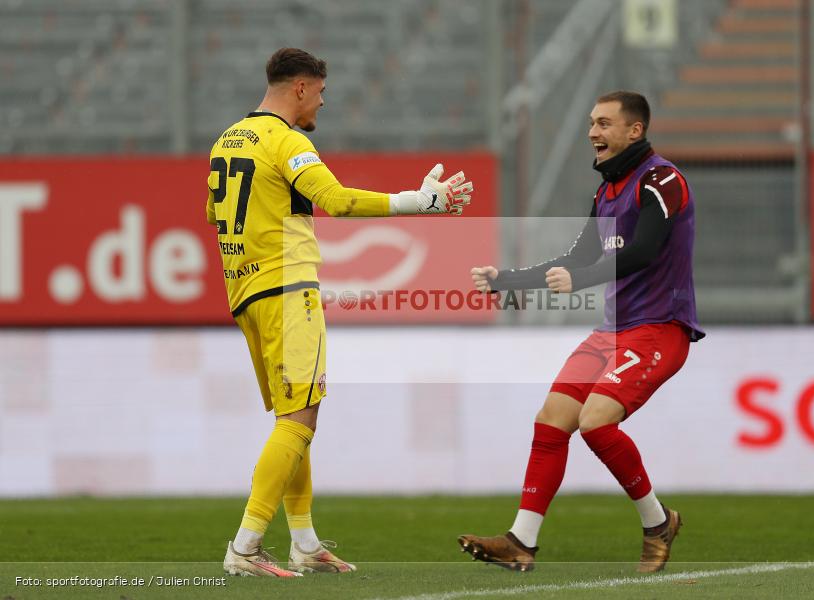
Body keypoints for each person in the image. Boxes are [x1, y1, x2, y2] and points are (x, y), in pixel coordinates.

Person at [207, 47, 474, 577]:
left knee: (293, 415)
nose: (321, 106)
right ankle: (245, 546)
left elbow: (213, 214)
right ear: (301, 88)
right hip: (287, 288)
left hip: (245, 292)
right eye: (320, 94)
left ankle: (303, 543)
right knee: (300, 418)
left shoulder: (226, 141)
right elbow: (337, 200)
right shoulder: (287, 140)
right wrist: (421, 202)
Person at [458, 90, 703, 573]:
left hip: (659, 330)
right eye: (591, 122)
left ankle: (656, 523)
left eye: (604, 123)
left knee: (594, 421)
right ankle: (521, 541)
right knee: (552, 420)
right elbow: (577, 260)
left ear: (635, 130)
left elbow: (647, 250)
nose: (593, 131)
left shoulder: (661, 179)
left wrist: (583, 278)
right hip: (611, 332)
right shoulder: (607, 190)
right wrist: (509, 280)